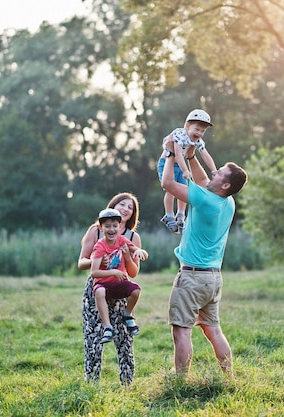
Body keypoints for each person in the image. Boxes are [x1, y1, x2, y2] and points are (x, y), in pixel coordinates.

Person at [161, 145, 248, 376]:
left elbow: (167, 183)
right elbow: (203, 180)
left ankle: (180, 380)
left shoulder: (204, 200)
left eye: (219, 173)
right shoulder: (227, 202)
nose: (213, 173)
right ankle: (228, 376)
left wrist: (171, 154)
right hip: (213, 279)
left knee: (181, 331)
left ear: (226, 185)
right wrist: (190, 155)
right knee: (214, 331)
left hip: (191, 277)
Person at [77, 193, 148, 384]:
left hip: (120, 290)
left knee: (124, 339)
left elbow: (133, 273)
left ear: (133, 214)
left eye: (130, 207)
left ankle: (127, 384)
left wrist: (126, 257)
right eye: (121, 204)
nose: (125, 208)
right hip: (97, 289)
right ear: (113, 206)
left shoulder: (133, 237)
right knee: (94, 338)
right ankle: (91, 384)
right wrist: (97, 262)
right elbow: (81, 262)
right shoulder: (96, 231)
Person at [157, 109, 218, 234]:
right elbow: (178, 154)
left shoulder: (197, 141)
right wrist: (185, 170)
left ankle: (180, 215)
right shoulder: (180, 135)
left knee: (184, 188)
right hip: (168, 163)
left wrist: (214, 170)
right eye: (197, 129)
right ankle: (169, 214)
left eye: (203, 131)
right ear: (187, 126)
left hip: (180, 165)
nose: (199, 133)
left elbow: (205, 155)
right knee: (171, 190)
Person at [90, 208, 145, 344]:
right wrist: (113, 272)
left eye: (115, 226)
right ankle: (107, 327)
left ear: (119, 227)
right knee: (100, 291)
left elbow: (135, 249)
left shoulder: (121, 240)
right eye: (107, 226)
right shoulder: (100, 246)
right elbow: (94, 272)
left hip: (119, 283)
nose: (111, 230)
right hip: (103, 283)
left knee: (136, 290)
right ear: (100, 228)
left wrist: (140, 251)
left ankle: (127, 315)